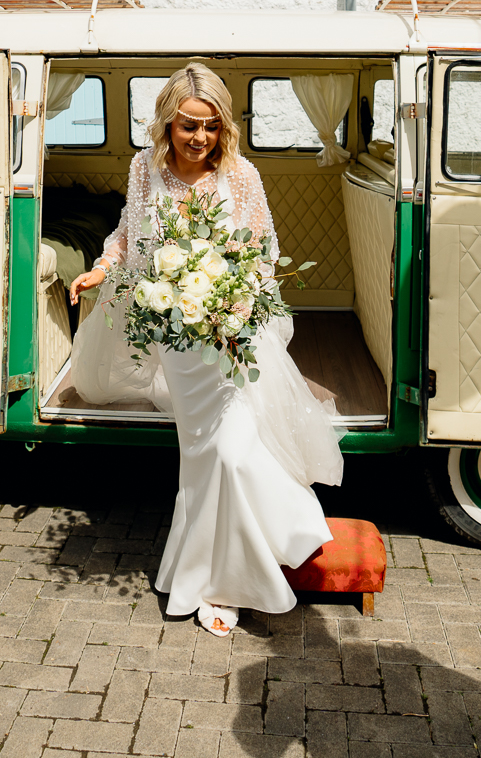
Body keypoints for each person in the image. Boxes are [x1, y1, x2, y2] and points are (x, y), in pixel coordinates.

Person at [67, 63, 342, 637]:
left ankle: (226, 579)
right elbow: (127, 229)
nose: (199, 139)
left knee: (235, 454)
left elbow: (263, 250)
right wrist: (103, 267)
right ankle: (210, 575)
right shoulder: (144, 170)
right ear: (167, 124)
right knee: (203, 458)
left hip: (229, 333)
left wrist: (236, 308)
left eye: (211, 127)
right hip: (173, 334)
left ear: (224, 129)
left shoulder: (241, 176)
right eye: (188, 126)